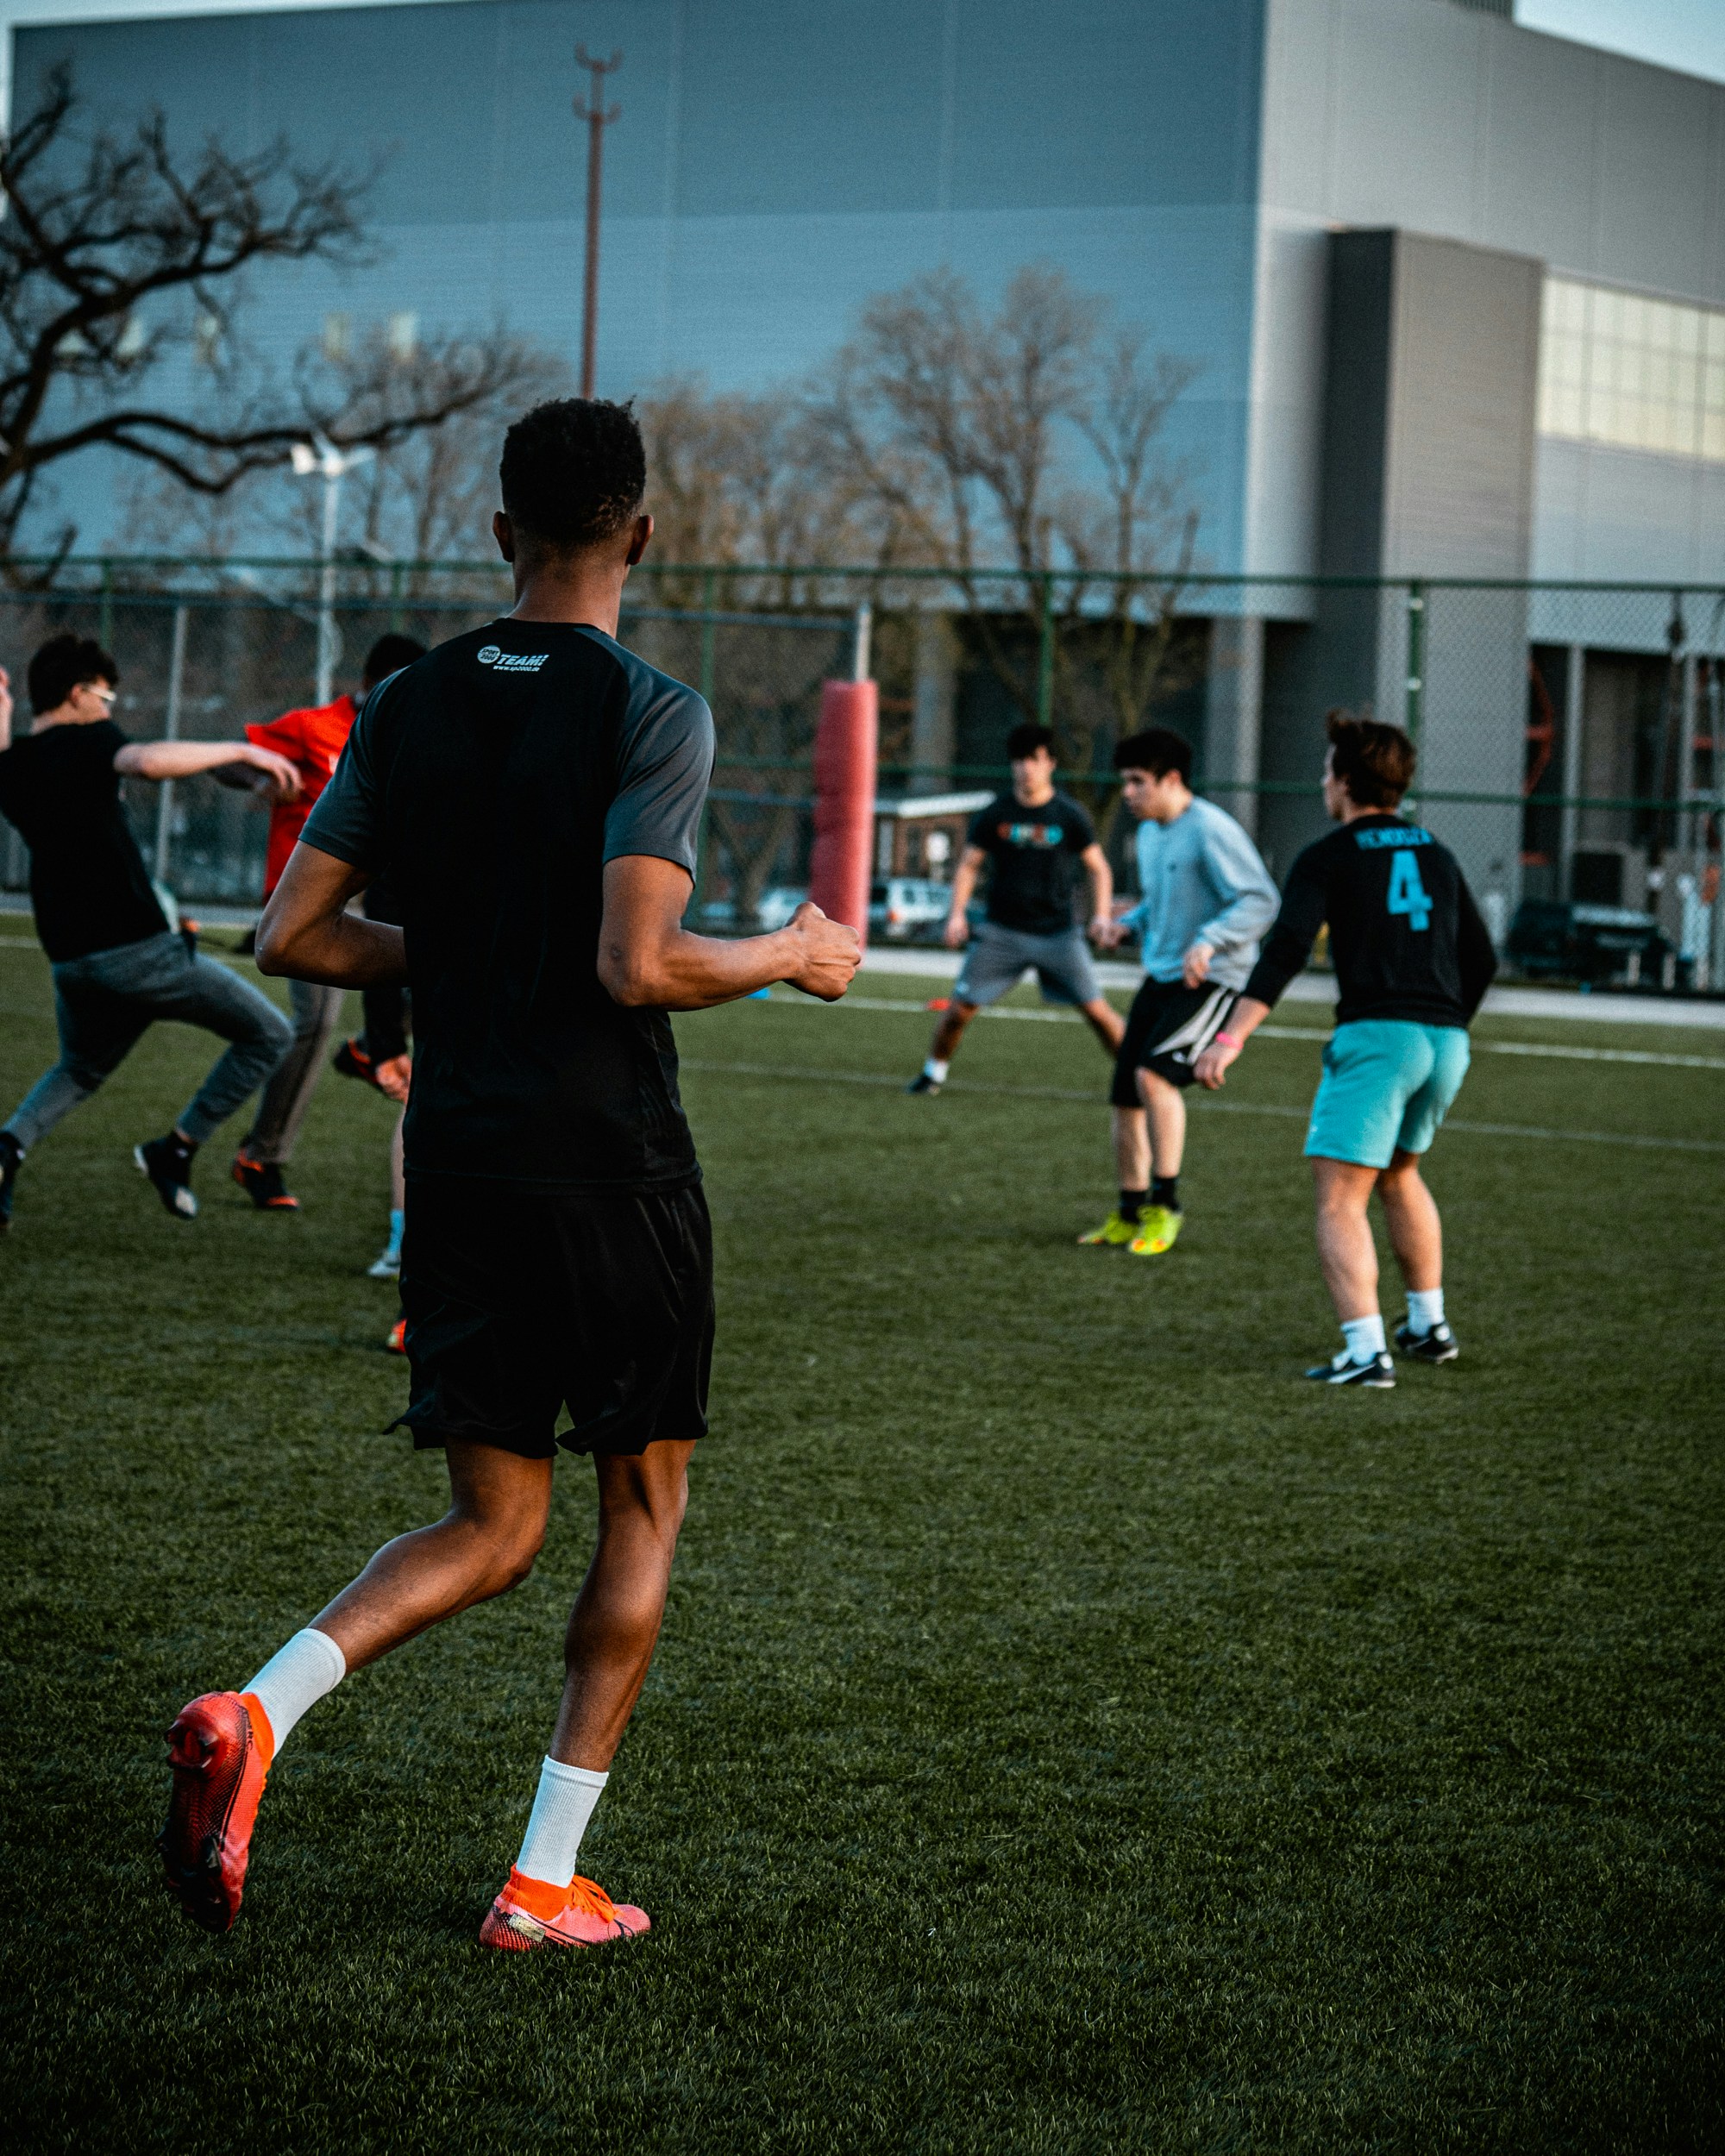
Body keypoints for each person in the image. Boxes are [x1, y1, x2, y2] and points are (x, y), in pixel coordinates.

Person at [158, 397, 861, 1950]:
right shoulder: (652, 708)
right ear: (643, 534)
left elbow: (292, 937)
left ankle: (258, 1711)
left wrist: (467, 951)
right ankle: (541, 1883)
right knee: (642, 1507)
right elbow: (637, 963)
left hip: (462, 1165)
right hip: (609, 1167)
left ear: (499, 533)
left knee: (488, 1527)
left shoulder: (408, 704)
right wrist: (790, 952)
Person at [1192, 710, 1497, 1386]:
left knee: (1339, 1198)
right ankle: (1428, 1326)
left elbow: (1287, 950)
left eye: (1328, 770)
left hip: (1380, 1038)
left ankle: (1365, 1354)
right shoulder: (1437, 853)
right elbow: (1481, 958)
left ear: (1347, 780)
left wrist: (1229, 1038)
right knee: (1400, 1174)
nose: (1322, 781)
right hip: (1446, 1040)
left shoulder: (1328, 855)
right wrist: (1447, 1024)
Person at [0, 633, 300, 1228]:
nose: (109, 709)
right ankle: (176, 1151)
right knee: (270, 1034)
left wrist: (4, 705)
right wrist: (243, 750)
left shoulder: (14, 766)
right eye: (106, 696)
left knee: (80, 1069)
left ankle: (7, 1150)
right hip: (137, 954)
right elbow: (145, 762)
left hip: (71, 961)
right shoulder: (88, 740)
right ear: (77, 694)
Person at [230, 635, 427, 1211]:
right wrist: (260, 777)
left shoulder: (413, 735)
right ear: (367, 684)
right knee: (315, 1021)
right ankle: (261, 1156)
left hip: (384, 892)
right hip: (314, 899)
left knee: (446, 974)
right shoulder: (313, 726)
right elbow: (235, 760)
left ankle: (368, 1045)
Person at [1082, 726, 1278, 1257]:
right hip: (1163, 975)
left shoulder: (1211, 829)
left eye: (1137, 782)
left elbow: (1261, 900)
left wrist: (1211, 940)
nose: (1128, 793)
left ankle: (1165, 1207)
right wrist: (1127, 923)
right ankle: (1128, 1212)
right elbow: (1161, 901)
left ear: (1171, 780)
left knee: (1155, 1076)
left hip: (1214, 980)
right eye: (1124, 782)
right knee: (1125, 1093)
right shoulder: (1150, 833)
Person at [906, 724, 1121, 1094]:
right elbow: (969, 865)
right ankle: (932, 1075)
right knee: (958, 1011)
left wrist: (1101, 915)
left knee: (1098, 1012)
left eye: (1035, 760)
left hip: (1058, 935)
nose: (1026, 768)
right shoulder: (996, 813)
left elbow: (1099, 868)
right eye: (1020, 760)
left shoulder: (1069, 815)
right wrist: (956, 914)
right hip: (1001, 933)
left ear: (1050, 764)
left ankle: (1137, 1077)